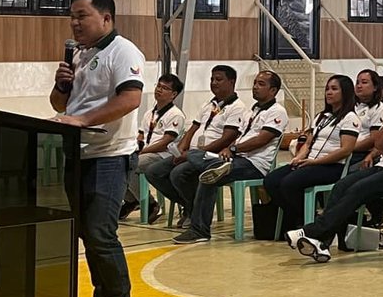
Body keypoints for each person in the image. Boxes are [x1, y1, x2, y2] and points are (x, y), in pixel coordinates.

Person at [51, 0, 145, 297]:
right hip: (78, 154)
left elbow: (130, 98)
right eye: (71, 17)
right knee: (86, 234)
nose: (74, 23)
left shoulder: (123, 51)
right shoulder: (79, 54)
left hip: (110, 155)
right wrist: (61, 85)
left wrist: (83, 120)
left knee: (101, 233)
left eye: (82, 16)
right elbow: (60, 104)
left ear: (106, 18)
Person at [289, 70, 383, 263]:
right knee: (342, 185)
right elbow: (379, 145)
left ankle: (311, 231)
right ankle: (321, 243)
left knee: (358, 189)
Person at [176, 70, 288, 243]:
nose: (255, 87)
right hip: (236, 159)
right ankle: (215, 165)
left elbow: (262, 140)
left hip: (254, 164)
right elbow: (238, 136)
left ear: (273, 90)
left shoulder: (277, 111)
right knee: (197, 158)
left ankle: (199, 231)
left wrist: (233, 149)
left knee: (207, 175)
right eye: (255, 83)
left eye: (261, 84)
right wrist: (227, 149)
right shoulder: (252, 111)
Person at [259, 74, 360, 240]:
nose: (329, 92)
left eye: (334, 89)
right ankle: (303, 217)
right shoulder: (321, 116)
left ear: (346, 92)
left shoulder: (350, 118)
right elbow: (308, 143)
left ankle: (309, 221)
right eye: (327, 89)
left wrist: (315, 162)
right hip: (310, 162)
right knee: (271, 180)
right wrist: (299, 157)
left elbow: (346, 150)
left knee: (289, 183)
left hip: (332, 166)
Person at [149, 65, 244, 230]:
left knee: (179, 173)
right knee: (154, 171)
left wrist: (198, 153)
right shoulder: (208, 105)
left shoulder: (237, 107)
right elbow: (192, 129)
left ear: (231, 82)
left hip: (212, 156)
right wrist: (181, 149)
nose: (214, 82)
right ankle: (190, 205)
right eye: (212, 79)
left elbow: (227, 138)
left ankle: (193, 211)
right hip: (192, 153)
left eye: (219, 79)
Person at [121, 72, 184, 218]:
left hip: (163, 156)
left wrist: (141, 152)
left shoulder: (175, 114)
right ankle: (131, 200)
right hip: (146, 152)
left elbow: (165, 143)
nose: (159, 90)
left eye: (165, 88)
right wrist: (133, 148)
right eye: (158, 86)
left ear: (174, 94)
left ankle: (151, 204)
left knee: (133, 165)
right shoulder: (149, 113)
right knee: (119, 162)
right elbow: (141, 136)